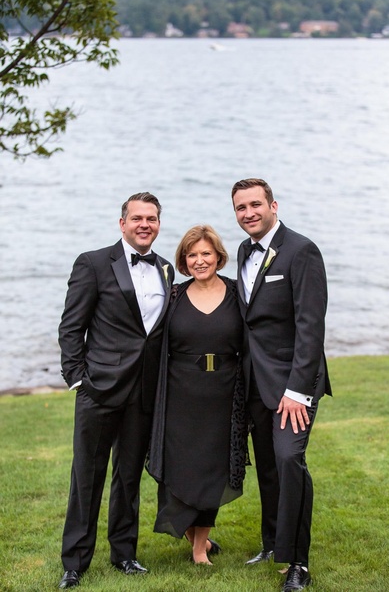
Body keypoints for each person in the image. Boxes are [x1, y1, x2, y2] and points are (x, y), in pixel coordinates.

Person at [57, 192, 174, 589]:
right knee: (86, 476)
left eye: (152, 218)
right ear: (122, 223)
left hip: (144, 392)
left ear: (159, 224)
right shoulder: (92, 263)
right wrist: (77, 377)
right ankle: (75, 561)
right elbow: (72, 326)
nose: (145, 224)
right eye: (138, 218)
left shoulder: (166, 269)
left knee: (128, 478)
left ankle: (124, 553)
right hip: (99, 390)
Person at [231, 178, 332, 591]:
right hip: (254, 381)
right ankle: (271, 542)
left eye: (255, 204)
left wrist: (297, 390)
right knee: (269, 467)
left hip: (293, 384)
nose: (248, 213)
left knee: (290, 461)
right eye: (240, 208)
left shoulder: (301, 250)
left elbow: (311, 327)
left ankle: (298, 564)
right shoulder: (242, 250)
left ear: (274, 205)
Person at [147, 225, 247, 565]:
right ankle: (193, 532)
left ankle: (198, 545)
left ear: (218, 257)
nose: (200, 260)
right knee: (181, 468)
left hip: (223, 394)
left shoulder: (238, 293)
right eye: (192, 255)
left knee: (212, 469)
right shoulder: (173, 295)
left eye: (206, 253)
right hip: (180, 394)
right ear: (184, 261)